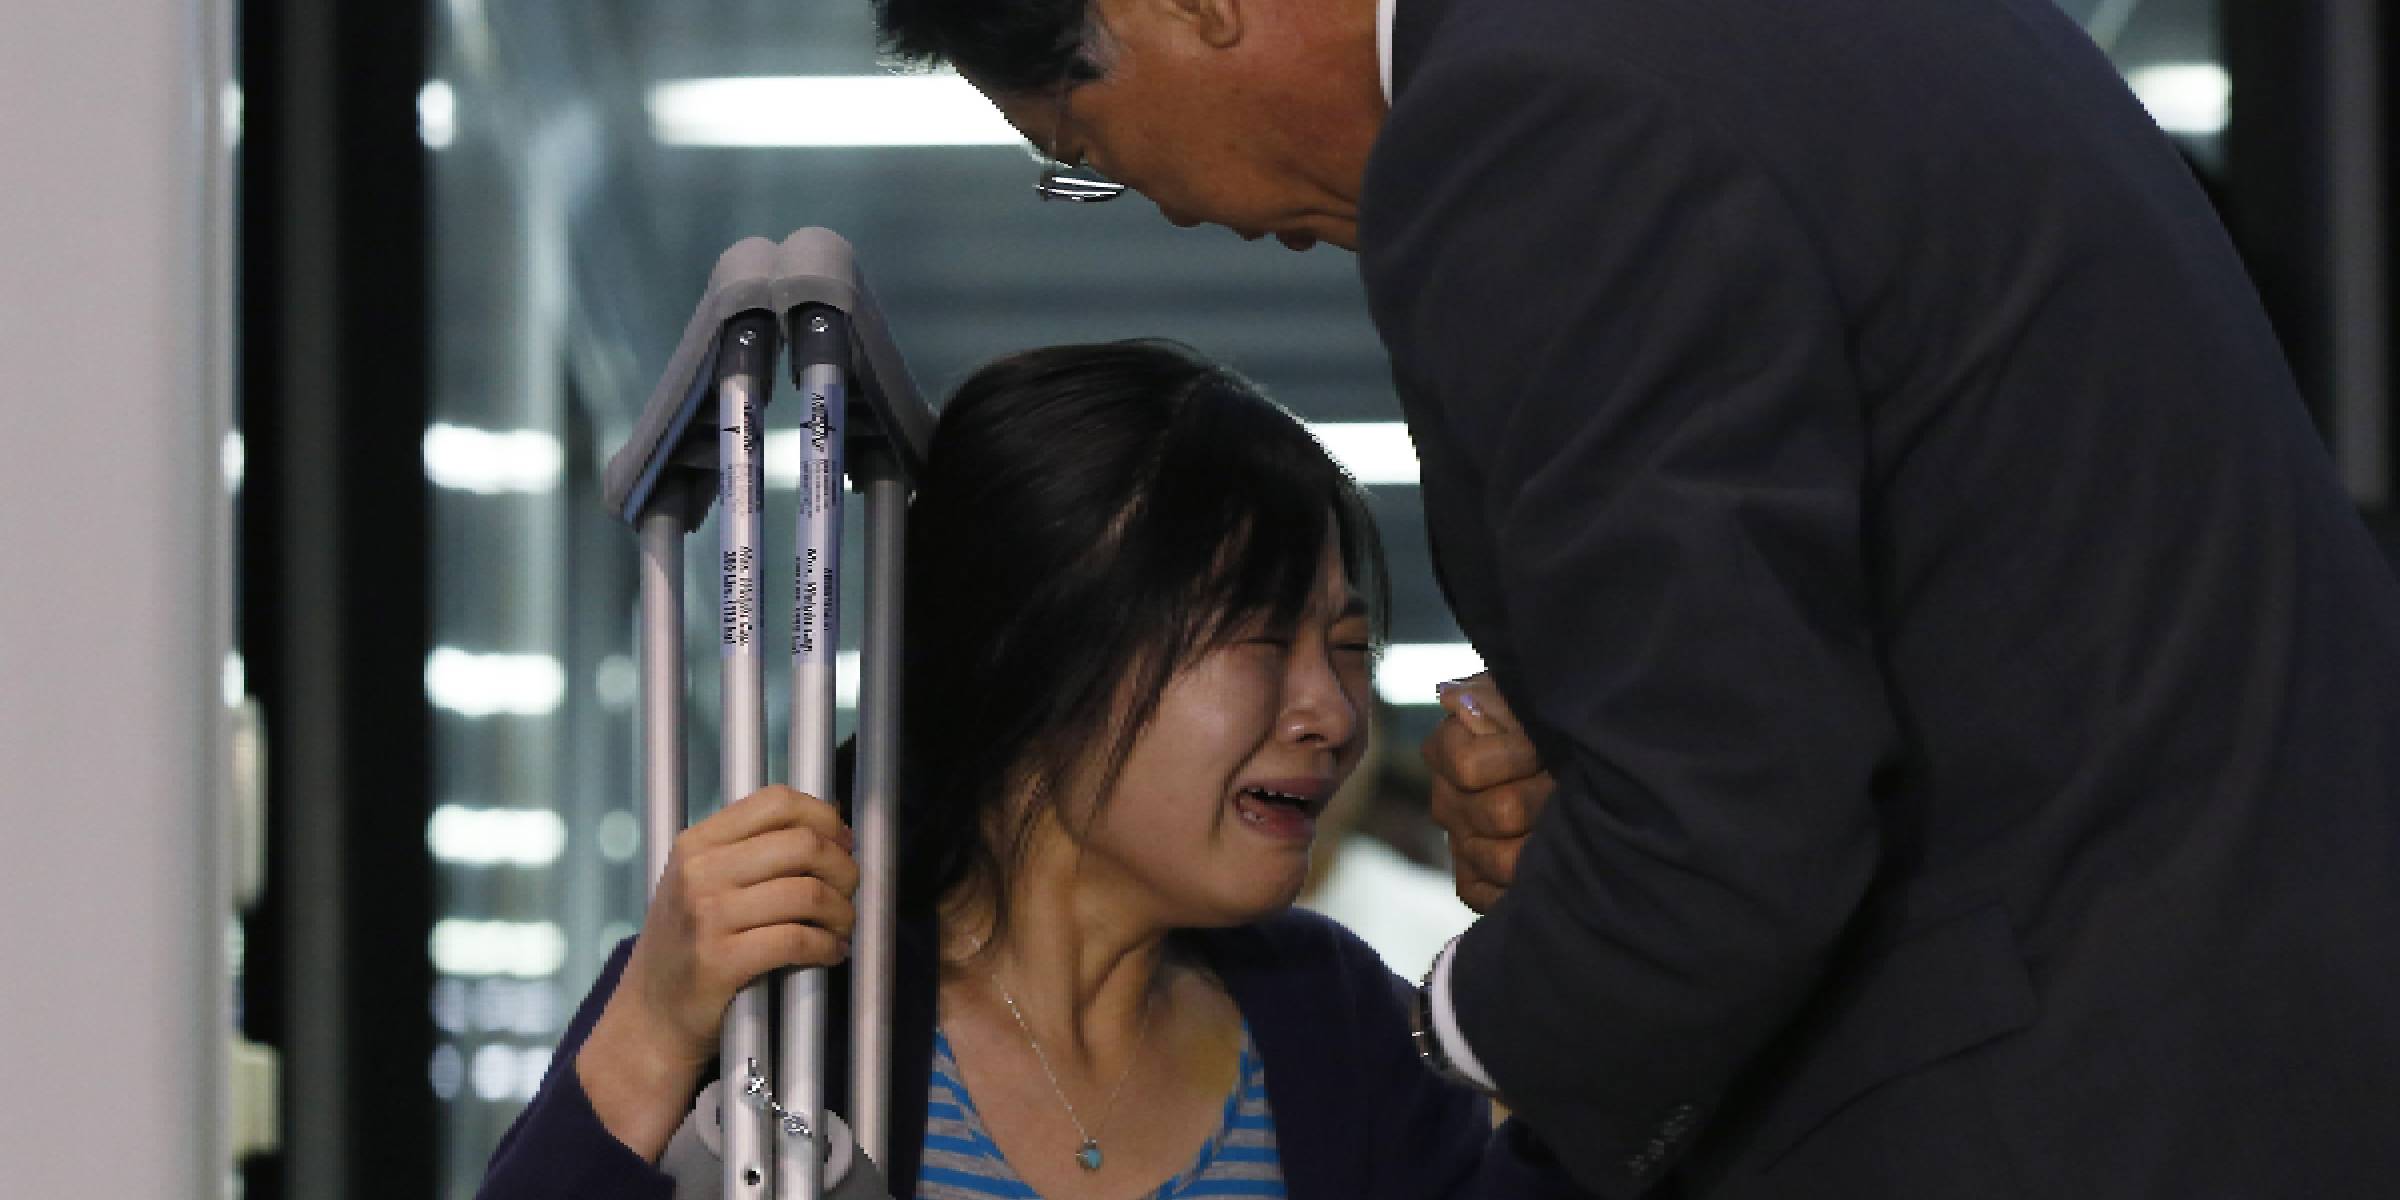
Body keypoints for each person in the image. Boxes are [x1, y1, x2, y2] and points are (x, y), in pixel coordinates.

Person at [869, 0, 2400, 1196]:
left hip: (2066, 1118)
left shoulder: (1531, 113)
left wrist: (1436, 1045)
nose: (1153, 203)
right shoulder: (1743, 42)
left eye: (1074, 139)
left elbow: (1735, 823)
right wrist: (1611, 759)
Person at [476, 341, 1576, 1199]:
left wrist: (1578, 940)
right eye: (1258, 638)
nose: (1333, 716)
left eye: (1345, 649)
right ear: (1041, 654)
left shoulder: (1337, 1026)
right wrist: (656, 1027)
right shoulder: (782, 1013)